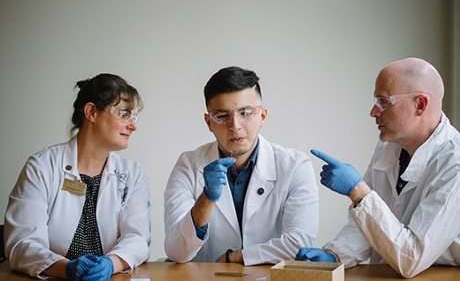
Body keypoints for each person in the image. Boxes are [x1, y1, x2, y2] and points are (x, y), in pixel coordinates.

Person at [296, 57, 460, 278]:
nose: (374, 111)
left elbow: (412, 257)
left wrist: (359, 192)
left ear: (420, 104)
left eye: (384, 101)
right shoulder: (389, 147)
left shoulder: (455, 164)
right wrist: (335, 255)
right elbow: (369, 226)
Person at [164, 66, 319, 265]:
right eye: (222, 116)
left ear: (262, 116)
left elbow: (300, 244)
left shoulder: (295, 166)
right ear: (208, 122)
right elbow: (176, 252)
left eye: (245, 113)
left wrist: (236, 257)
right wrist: (206, 199)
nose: (235, 125)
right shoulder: (188, 165)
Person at [4, 74, 151, 280]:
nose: (133, 126)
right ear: (91, 112)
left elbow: (138, 239)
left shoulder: (132, 174)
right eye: (125, 114)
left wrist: (110, 263)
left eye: (134, 117)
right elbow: (21, 244)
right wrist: (66, 268)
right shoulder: (42, 167)